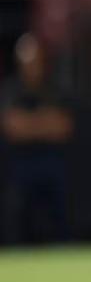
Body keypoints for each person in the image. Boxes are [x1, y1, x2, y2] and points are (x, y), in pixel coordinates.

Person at [0, 33, 73, 243]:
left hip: (51, 161)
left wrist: (29, 123)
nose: (32, 67)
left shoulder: (53, 89)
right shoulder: (11, 90)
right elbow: (13, 129)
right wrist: (44, 123)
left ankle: (64, 250)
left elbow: (63, 127)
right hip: (22, 164)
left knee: (61, 205)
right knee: (15, 206)